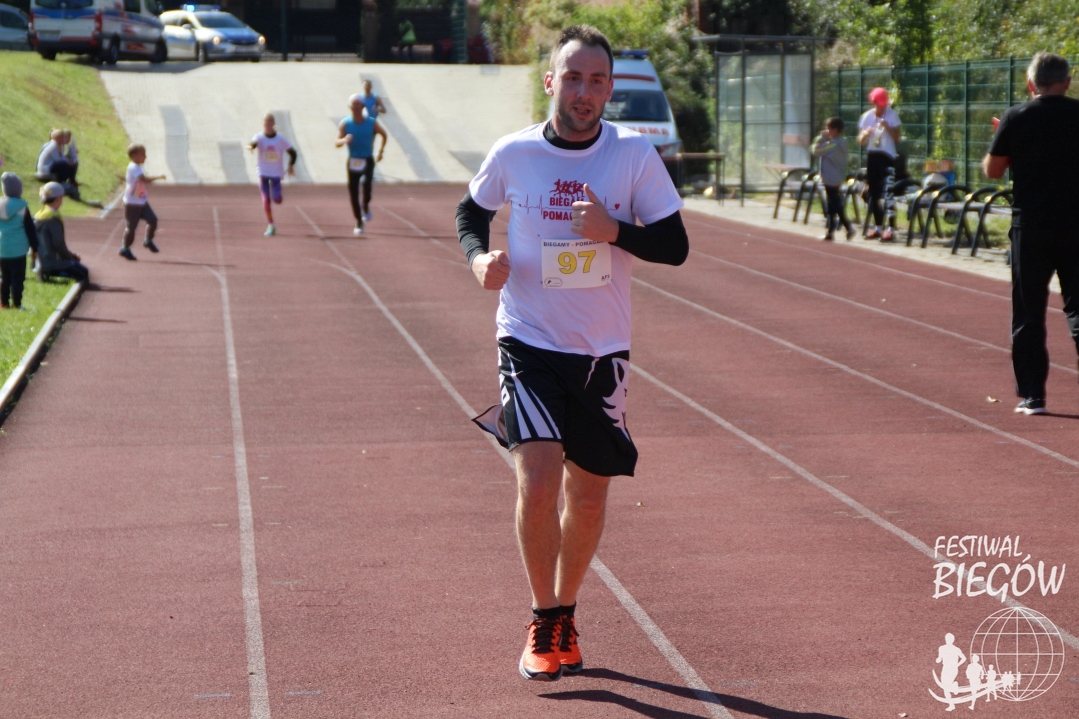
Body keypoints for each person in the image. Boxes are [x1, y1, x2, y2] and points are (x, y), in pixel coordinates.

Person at [455, 25, 688, 682]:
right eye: (573, 77)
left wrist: (615, 231)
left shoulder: (632, 155)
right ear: (550, 80)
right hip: (527, 338)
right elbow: (470, 213)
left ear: (609, 89)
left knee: (585, 498)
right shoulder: (515, 152)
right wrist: (478, 260)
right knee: (537, 482)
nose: (584, 91)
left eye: (596, 80)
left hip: (601, 351)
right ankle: (543, 616)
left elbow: (674, 245)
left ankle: (566, 611)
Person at [984, 52, 1079, 415]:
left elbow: (993, 171)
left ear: (1030, 83)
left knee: (1028, 311)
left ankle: (1033, 395)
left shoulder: (1016, 116)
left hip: (1032, 225)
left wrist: (1007, 144)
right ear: (1067, 81)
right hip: (1076, 223)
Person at [336, 97, 387, 235]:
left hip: (367, 159)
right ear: (350, 107)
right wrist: (344, 140)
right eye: (354, 105)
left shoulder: (371, 122)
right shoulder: (345, 123)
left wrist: (381, 151)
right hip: (353, 160)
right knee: (353, 192)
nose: (356, 107)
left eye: (358, 104)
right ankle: (359, 221)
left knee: (367, 184)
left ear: (363, 106)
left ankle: (365, 204)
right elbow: (337, 142)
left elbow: (384, 135)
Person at [857, 87, 902, 242]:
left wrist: (888, 128)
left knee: (888, 191)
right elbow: (860, 141)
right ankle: (877, 226)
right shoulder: (866, 117)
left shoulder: (892, 115)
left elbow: (898, 138)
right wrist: (865, 134)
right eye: (879, 104)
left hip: (887, 156)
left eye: (884, 104)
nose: (882, 107)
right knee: (873, 192)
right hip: (873, 156)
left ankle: (891, 228)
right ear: (874, 103)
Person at [248, 113, 298, 237]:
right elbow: (253, 143)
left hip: (276, 173)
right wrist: (250, 147)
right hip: (263, 172)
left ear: (274, 123)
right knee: (266, 200)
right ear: (262, 123)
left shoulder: (280, 139)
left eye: (270, 122)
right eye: (266, 122)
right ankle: (271, 224)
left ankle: (278, 194)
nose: (268, 124)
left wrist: (290, 166)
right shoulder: (259, 137)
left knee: (277, 199)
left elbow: (293, 153)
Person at [34, 182, 89, 284]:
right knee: (83, 272)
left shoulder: (38, 215)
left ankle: (45, 272)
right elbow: (58, 243)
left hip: (40, 261)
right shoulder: (52, 218)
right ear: (58, 199)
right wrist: (70, 258)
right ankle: (52, 273)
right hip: (52, 263)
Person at [0, 173, 39, 310]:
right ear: (19, 190)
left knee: (4, 277)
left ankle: (4, 303)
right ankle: (17, 303)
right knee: (18, 278)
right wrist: (35, 247)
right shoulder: (22, 206)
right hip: (18, 249)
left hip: (2, 248)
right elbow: (30, 229)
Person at [812, 116, 855, 241]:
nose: (827, 131)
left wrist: (820, 138)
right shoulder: (840, 143)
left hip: (831, 178)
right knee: (832, 204)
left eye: (829, 128)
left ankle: (848, 227)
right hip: (835, 177)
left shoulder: (834, 145)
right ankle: (830, 232)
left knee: (835, 204)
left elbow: (815, 150)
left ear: (835, 130)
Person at [120, 144, 165, 261]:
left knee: (153, 220)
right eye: (143, 155)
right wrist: (158, 177)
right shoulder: (133, 167)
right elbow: (144, 180)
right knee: (131, 227)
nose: (145, 157)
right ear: (134, 156)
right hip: (132, 204)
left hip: (142, 201)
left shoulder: (138, 167)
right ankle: (125, 248)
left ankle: (148, 241)